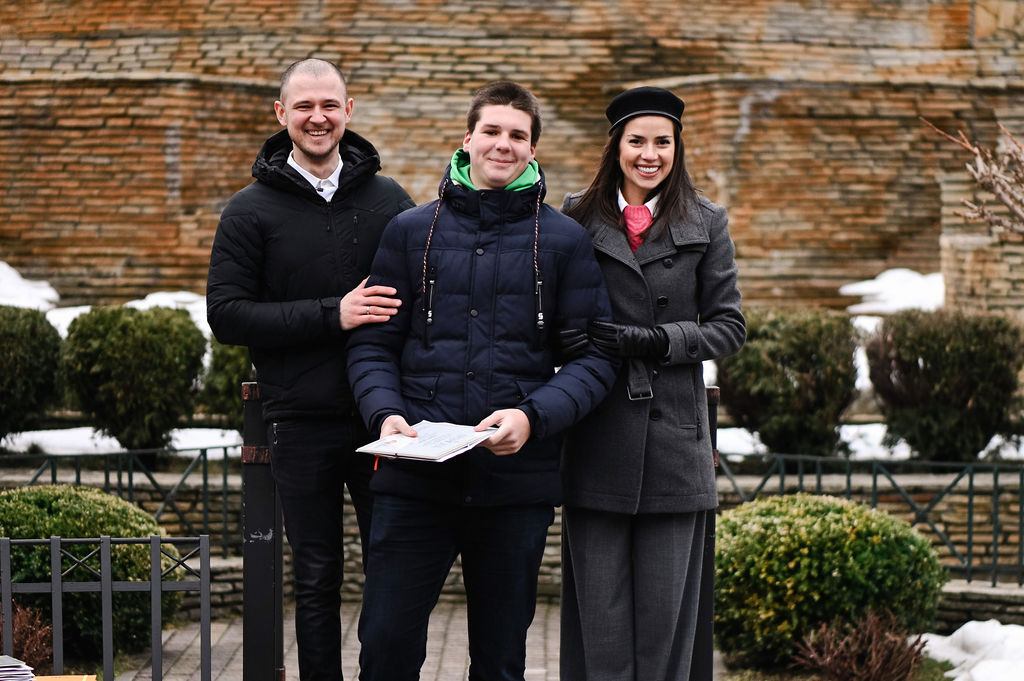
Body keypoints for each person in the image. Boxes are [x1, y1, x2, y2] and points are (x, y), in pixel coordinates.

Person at [345, 81, 618, 681]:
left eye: (517, 135)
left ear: (533, 149)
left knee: (500, 660)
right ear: (467, 138)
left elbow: (596, 359)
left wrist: (532, 417)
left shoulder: (565, 241)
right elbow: (372, 344)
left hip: (514, 486)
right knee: (385, 648)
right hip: (414, 479)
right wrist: (384, 413)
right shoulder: (409, 231)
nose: (503, 144)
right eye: (491, 131)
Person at [206, 58, 415, 681]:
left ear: (349, 110)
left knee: (393, 571)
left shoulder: (390, 201)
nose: (317, 118)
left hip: (384, 419)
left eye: (329, 105)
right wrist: (334, 313)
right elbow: (226, 315)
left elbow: (422, 299)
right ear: (282, 114)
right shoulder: (249, 210)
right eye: (303, 106)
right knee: (317, 577)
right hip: (298, 419)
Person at [558, 86, 746, 681]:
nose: (650, 154)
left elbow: (730, 327)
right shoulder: (575, 216)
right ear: (616, 146)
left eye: (662, 142)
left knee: (666, 625)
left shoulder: (706, 220)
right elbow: (551, 308)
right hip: (597, 435)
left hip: (674, 445)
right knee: (601, 624)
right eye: (637, 141)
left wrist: (660, 340)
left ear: (676, 147)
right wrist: (566, 339)